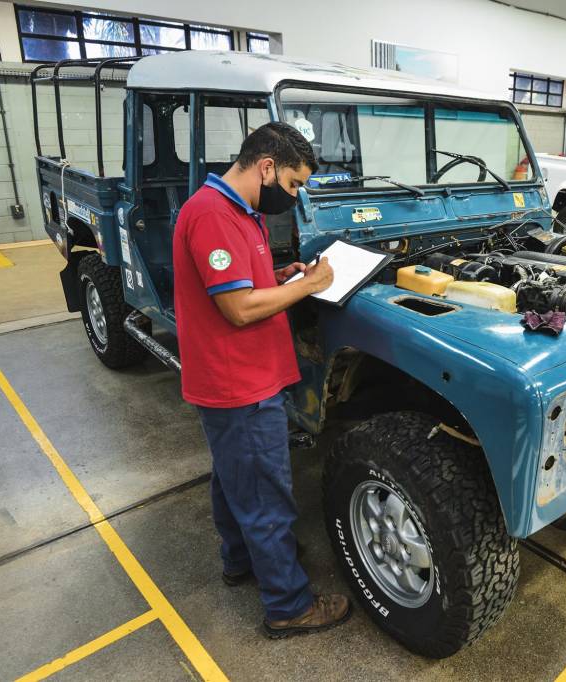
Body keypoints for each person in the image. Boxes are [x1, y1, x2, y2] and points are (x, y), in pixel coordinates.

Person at [172, 121, 351, 638]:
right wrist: (313, 284)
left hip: (241, 378)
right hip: (238, 385)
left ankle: (240, 560)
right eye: (293, 184)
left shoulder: (237, 211)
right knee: (267, 493)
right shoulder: (211, 215)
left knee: (235, 480)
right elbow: (239, 308)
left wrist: (280, 277)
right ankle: (288, 605)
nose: (292, 197)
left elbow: (245, 286)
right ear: (267, 167)